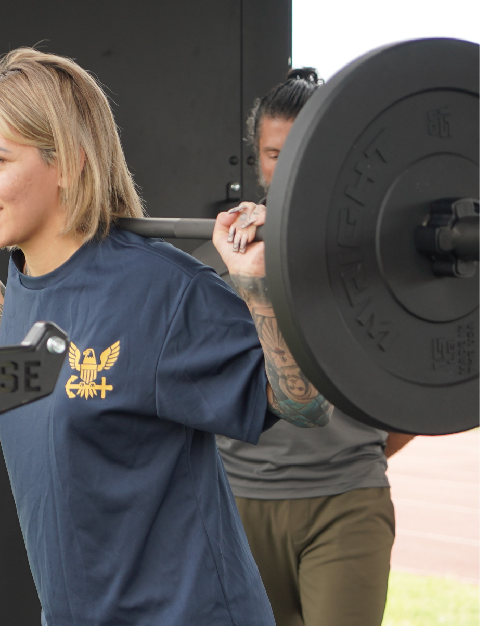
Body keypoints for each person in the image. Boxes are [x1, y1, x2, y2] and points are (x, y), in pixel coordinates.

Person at [0, 48, 334, 626]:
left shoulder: (160, 289)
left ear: (70, 163)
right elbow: (47, 355)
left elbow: (303, 405)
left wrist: (257, 286)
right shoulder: (26, 277)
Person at [214, 68, 416, 626]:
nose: (286, 166)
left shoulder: (379, 251)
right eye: (274, 152)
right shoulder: (229, 254)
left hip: (347, 503)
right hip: (239, 504)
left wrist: (357, 454)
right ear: (256, 159)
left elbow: (415, 378)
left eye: (302, 148)